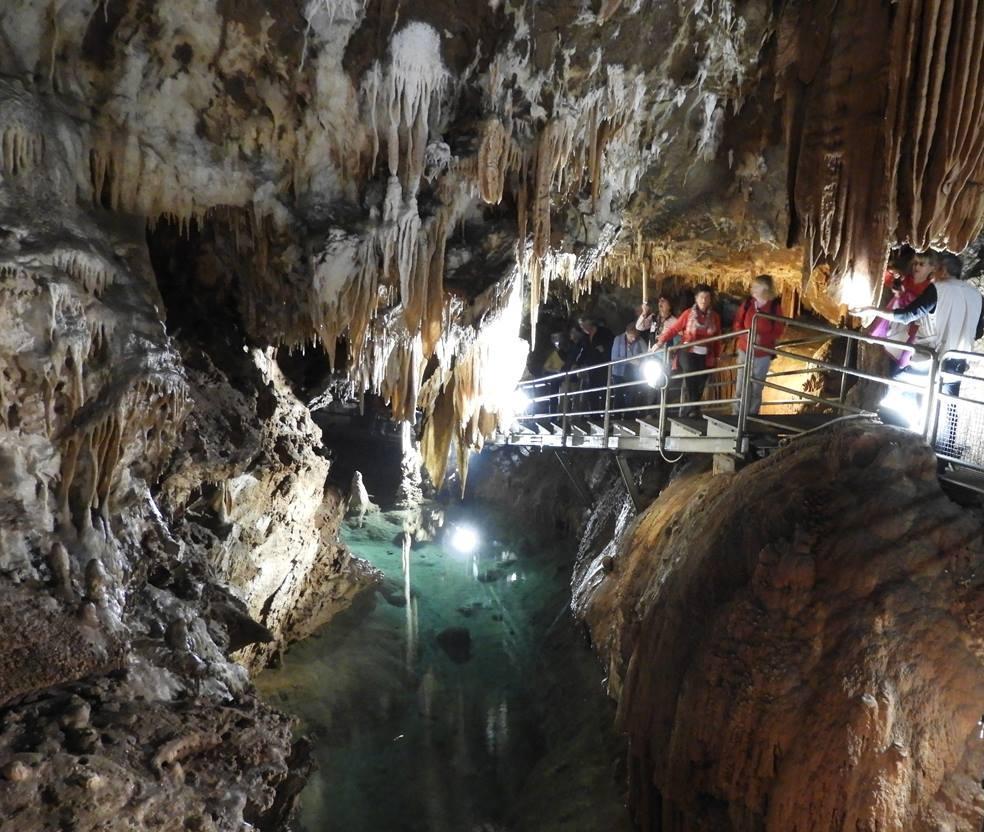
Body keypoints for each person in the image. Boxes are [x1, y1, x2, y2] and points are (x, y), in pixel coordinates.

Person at [855, 250, 983, 454]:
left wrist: (873, 311)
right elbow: (978, 330)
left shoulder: (938, 289)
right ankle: (942, 455)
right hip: (958, 359)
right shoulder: (976, 295)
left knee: (897, 389)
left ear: (942, 269)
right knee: (947, 407)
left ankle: (903, 439)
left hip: (930, 358)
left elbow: (907, 315)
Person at [655, 284, 722, 417]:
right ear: (696, 299)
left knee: (702, 380)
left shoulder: (714, 317)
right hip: (687, 350)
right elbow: (674, 329)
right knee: (691, 376)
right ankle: (692, 409)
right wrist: (660, 342)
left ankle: (692, 408)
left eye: (707, 297)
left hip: (704, 353)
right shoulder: (688, 314)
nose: (704, 300)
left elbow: (717, 337)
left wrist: (717, 355)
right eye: (701, 297)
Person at [731, 275, 785, 415]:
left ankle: (752, 415)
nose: (752, 289)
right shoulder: (748, 304)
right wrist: (745, 335)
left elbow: (779, 330)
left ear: (765, 288)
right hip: (745, 350)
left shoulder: (774, 307)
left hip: (762, 353)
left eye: (756, 286)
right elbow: (737, 323)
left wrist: (763, 338)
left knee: (756, 387)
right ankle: (737, 415)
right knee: (741, 386)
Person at [574, 316, 615, 411]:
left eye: (584, 326)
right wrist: (577, 363)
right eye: (581, 326)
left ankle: (606, 412)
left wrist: (604, 350)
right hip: (592, 367)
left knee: (605, 389)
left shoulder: (604, 332)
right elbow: (584, 351)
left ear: (590, 323)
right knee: (592, 391)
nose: (583, 328)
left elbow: (612, 344)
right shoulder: (585, 337)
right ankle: (594, 413)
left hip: (604, 365)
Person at [610, 323, 646, 411]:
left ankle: (629, 416)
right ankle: (617, 416)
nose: (634, 339)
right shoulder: (618, 340)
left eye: (635, 337)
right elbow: (614, 358)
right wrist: (630, 360)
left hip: (633, 373)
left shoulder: (640, 340)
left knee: (632, 394)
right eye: (631, 336)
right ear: (626, 333)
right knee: (619, 395)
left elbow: (647, 353)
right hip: (619, 372)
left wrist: (641, 362)